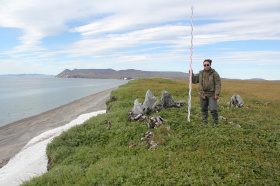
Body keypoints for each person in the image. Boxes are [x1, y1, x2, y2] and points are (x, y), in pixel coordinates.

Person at [191, 59, 221, 126]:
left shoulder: (214, 73)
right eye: (205, 65)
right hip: (203, 94)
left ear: (210, 65)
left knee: (213, 109)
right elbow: (194, 80)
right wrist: (191, 74)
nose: (206, 66)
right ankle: (204, 122)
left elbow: (218, 84)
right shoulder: (201, 73)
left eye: (208, 65)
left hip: (212, 94)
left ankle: (215, 123)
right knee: (203, 109)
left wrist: (217, 93)